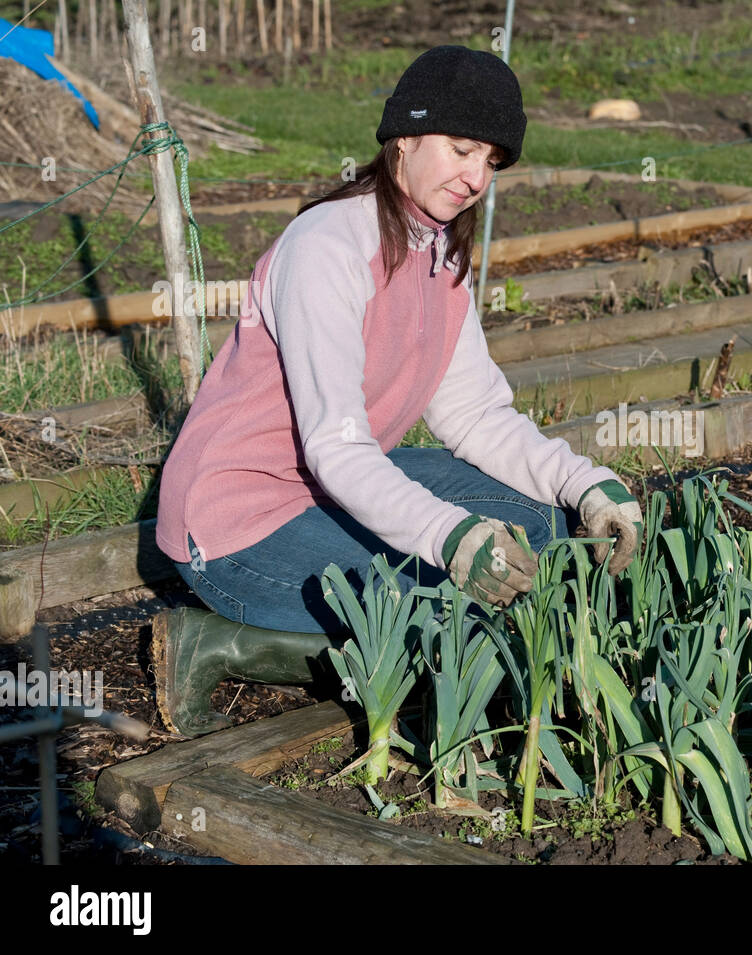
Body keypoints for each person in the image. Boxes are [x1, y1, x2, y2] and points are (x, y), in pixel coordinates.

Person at [150, 46, 642, 738]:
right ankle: (219, 642)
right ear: (403, 139)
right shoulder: (328, 245)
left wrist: (585, 483)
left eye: (492, 162)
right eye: (462, 148)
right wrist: (449, 536)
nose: (475, 177)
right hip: (238, 523)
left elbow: (474, 415)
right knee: (452, 606)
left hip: (328, 487)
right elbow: (334, 446)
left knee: (544, 527)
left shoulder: (438, 252)